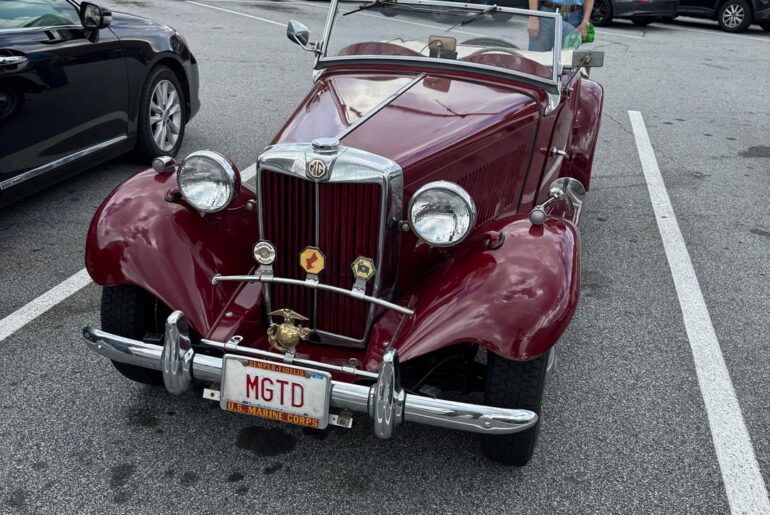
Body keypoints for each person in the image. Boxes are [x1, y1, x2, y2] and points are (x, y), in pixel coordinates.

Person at [527, 0, 594, 51]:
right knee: (538, 60)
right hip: (548, 12)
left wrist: (585, 21)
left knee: (569, 63)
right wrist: (533, 16)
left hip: (574, 16)